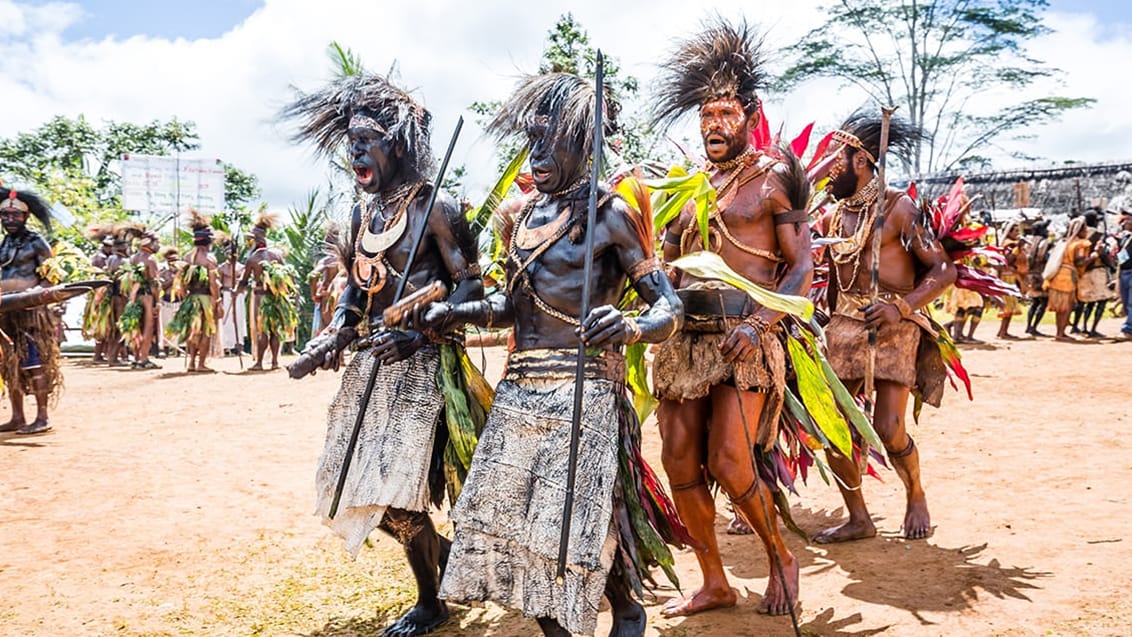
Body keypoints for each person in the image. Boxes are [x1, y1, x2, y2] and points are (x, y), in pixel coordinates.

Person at [429, 71, 687, 637]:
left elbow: (669, 309)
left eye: (553, 140)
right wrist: (458, 312)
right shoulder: (520, 220)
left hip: (588, 389)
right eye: (531, 139)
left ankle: (627, 610)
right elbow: (509, 308)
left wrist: (632, 325)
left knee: (581, 523)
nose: (538, 153)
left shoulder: (611, 215)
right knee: (522, 532)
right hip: (521, 392)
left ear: (584, 142)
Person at [282, 69, 487, 637]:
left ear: (395, 145)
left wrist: (422, 331)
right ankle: (440, 555)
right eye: (351, 142)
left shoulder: (437, 208)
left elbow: (471, 288)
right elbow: (356, 287)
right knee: (358, 487)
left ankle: (431, 603)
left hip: (424, 368)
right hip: (372, 366)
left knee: (396, 492)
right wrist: (336, 334)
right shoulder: (360, 214)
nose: (355, 151)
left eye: (366, 140)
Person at [645, 18, 812, 618]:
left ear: (749, 112)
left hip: (747, 339)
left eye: (724, 113)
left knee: (730, 461)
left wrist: (762, 323)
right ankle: (715, 580)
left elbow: (801, 271)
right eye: (705, 115)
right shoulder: (687, 186)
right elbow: (662, 263)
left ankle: (779, 556)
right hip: (684, 342)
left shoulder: (775, 178)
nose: (713, 125)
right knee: (679, 461)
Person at [814, 111, 956, 543]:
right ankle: (858, 517)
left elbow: (943, 269)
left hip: (895, 325)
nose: (826, 169)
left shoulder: (899, 208)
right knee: (833, 427)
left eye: (835, 158)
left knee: (890, 429)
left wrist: (902, 307)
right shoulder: (835, 218)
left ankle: (915, 492)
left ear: (860, 160)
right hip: (843, 327)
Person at [0, 188, 62, 435]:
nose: (9, 220)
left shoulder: (36, 242)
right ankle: (17, 417)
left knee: (33, 362)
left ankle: (42, 417)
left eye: (15, 216)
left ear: (25, 217)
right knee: (9, 364)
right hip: (5, 310)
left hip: (30, 312)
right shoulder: (3, 244)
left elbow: (52, 276)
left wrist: (34, 295)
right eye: (4, 215)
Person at [237, 212, 297, 371]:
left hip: (260, 298)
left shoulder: (253, 258)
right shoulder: (277, 254)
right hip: (277, 298)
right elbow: (289, 276)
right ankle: (275, 362)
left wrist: (237, 290)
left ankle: (259, 363)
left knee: (263, 330)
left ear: (256, 239)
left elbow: (244, 280)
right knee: (274, 329)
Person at [167, 211, 223, 372]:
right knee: (205, 330)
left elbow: (181, 283)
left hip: (191, 298)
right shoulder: (210, 259)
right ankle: (201, 364)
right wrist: (217, 301)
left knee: (193, 329)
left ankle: (191, 362)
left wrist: (186, 298)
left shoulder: (186, 257)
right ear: (208, 241)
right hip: (206, 298)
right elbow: (213, 284)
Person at [117, 229, 162, 369]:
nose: (158, 245)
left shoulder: (133, 258)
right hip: (147, 296)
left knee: (137, 326)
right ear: (150, 243)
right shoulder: (150, 259)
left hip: (134, 296)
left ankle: (137, 358)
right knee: (148, 327)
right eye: (157, 242)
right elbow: (154, 283)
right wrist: (158, 301)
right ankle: (143, 359)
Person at [1043, 216, 1091, 342]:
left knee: (1060, 307)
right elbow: (1079, 261)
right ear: (1081, 230)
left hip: (1057, 276)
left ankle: (1060, 331)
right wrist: (1094, 256)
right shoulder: (1080, 244)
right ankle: (1061, 333)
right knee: (1066, 306)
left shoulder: (1064, 242)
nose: (1087, 231)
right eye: (1085, 229)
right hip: (1067, 277)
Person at [85, 231, 116, 362]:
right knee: (101, 323)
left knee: (105, 324)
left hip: (101, 292)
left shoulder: (102, 256)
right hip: (100, 293)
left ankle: (102, 354)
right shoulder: (101, 258)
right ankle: (97, 355)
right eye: (110, 246)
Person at [1024, 220, 1052, 336]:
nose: (1047, 231)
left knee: (1035, 301)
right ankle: (1034, 327)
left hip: (1030, 274)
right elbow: (1043, 257)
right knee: (1043, 301)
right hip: (1039, 274)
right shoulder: (1043, 242)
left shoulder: (1028, 242)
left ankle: (1028, 326)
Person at [217, 242, 246, 356]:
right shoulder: (222, 267)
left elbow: (244, 282)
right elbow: (218, 282)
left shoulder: (241, 267)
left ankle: (239, 347)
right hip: (226, 295)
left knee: (238, 319)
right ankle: (225, 347)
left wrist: (238, 287)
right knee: (226, 321)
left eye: (232, 253)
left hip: (238, 296)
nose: (230, 255)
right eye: (227, 253)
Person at [996, 222, 1024, 339]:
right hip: (1006, 277)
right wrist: (1018, 248)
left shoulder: (1012, 244)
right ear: (1009, 232)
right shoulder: (1008, 244)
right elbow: (1008, 260)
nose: (1018, 233)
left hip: (1011, 276)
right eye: (1015, 231)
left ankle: (1004, 331)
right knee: (1008, 305)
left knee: (1010, 305)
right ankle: (1002, 331)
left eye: (1018, 231)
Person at [1117, 210, 1132, 338]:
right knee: (1126, 300)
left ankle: (1128, 328)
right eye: (1125, 219)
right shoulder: (1124, 238)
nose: (1126, 222)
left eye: (1129, 219)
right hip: (1123, 272)